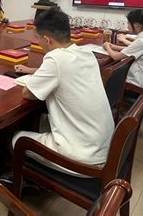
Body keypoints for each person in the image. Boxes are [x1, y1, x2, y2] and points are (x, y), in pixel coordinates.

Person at [12, 9, 114, 176]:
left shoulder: (55, 59)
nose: (37, 42)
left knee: (15, 137)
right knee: (40, 120)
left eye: (37, 38)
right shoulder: (85, 53)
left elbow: (27, 93)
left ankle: (21, 181)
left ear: (46, 40)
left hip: (83, 159)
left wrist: (34, 75)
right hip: (103, 147)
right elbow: (63, 71)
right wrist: (33, 70)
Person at [103, 9, 143, 89]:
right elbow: (133, 49)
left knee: (104, 77)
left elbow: (115, 56)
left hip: (138, 86)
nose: (127, 26)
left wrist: (107, 46)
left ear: (137, 25)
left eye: (128, 23)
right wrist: (114, 47)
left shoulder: (142, 41)